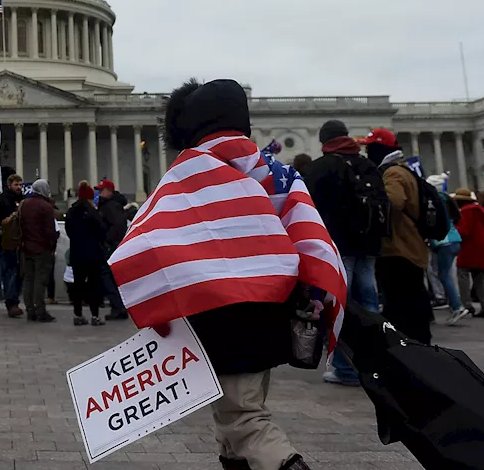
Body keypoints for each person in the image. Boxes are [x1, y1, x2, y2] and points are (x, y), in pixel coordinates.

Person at [136, 78, 335, 470]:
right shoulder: (278, 174)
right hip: (271, 313)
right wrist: (313, 294)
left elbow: (150, 247)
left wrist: (157, 311)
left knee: (243, 419)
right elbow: (311, 239)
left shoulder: (184, 180)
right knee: (233, 416)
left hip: (217, 316)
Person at [303, 119, 387, 385]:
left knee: (341, 306)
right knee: (371, 304)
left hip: (338, 247)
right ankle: (376, 365)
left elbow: (307, 210)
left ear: (324, 140)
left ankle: (346, 368)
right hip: (369, 245)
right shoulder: (368, 166)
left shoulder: (320, 168)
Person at [363, 128, 433, 345]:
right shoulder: (402, 170)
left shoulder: (392, 173)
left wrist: (369, 201)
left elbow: (393, 202)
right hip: (408, 248)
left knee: (403, 303)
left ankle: (412, 349)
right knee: (410, 300)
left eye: (370, 147)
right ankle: (416, 346)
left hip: (400, 249)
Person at [65, 181, 106, 326]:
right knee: (94, 285)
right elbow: (101, 231)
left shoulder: (71, 212)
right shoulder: (93, 212)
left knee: (78, 285)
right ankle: (95, 316)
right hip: (92, 253)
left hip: (77, 252)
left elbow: (69, 231)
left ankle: (78, 314)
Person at [18, 179, 59, 323]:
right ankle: (40, 310)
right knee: (40, 281)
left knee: (28, 279)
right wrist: (52, 245)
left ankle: (30, 310)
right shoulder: (46, 206)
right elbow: (50, 231)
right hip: (41, 248)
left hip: (26, 247)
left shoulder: (24, 204)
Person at [453, 189, 484, 318]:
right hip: (483, 246)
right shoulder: (482, 210)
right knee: (479, 276)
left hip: (470, 246)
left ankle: (467, 305)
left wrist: (454, 228)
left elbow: (464, 231)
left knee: (462, 274)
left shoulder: (466, 212)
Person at [429, 193, 468, 326]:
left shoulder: (437, 209)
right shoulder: (449, 211)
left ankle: (457, 306)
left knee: (443, 275)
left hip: (444, 243)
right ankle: (454, 307)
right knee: (446, 275)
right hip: (454, 242)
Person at [0, 172, 25, 318]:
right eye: (16, 185)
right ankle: (11, 302)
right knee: (10, 272)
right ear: (9, 185)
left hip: (19, 242)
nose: (19, 187)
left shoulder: (23, 201)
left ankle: (12, 301)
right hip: (6, 243)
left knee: (16, 273)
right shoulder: (1, 201)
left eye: (20, 184)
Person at [95, 178, 129, 319]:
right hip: (114, 244)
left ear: (108, 192)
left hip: (112, 246)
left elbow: (118, 226)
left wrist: (108, 241)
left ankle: (118, 307)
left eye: (101, 190)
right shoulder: (111, 205)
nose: (99, 193)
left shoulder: (110, 206)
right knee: (112, 277)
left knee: (106, 275)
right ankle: (119, 306)